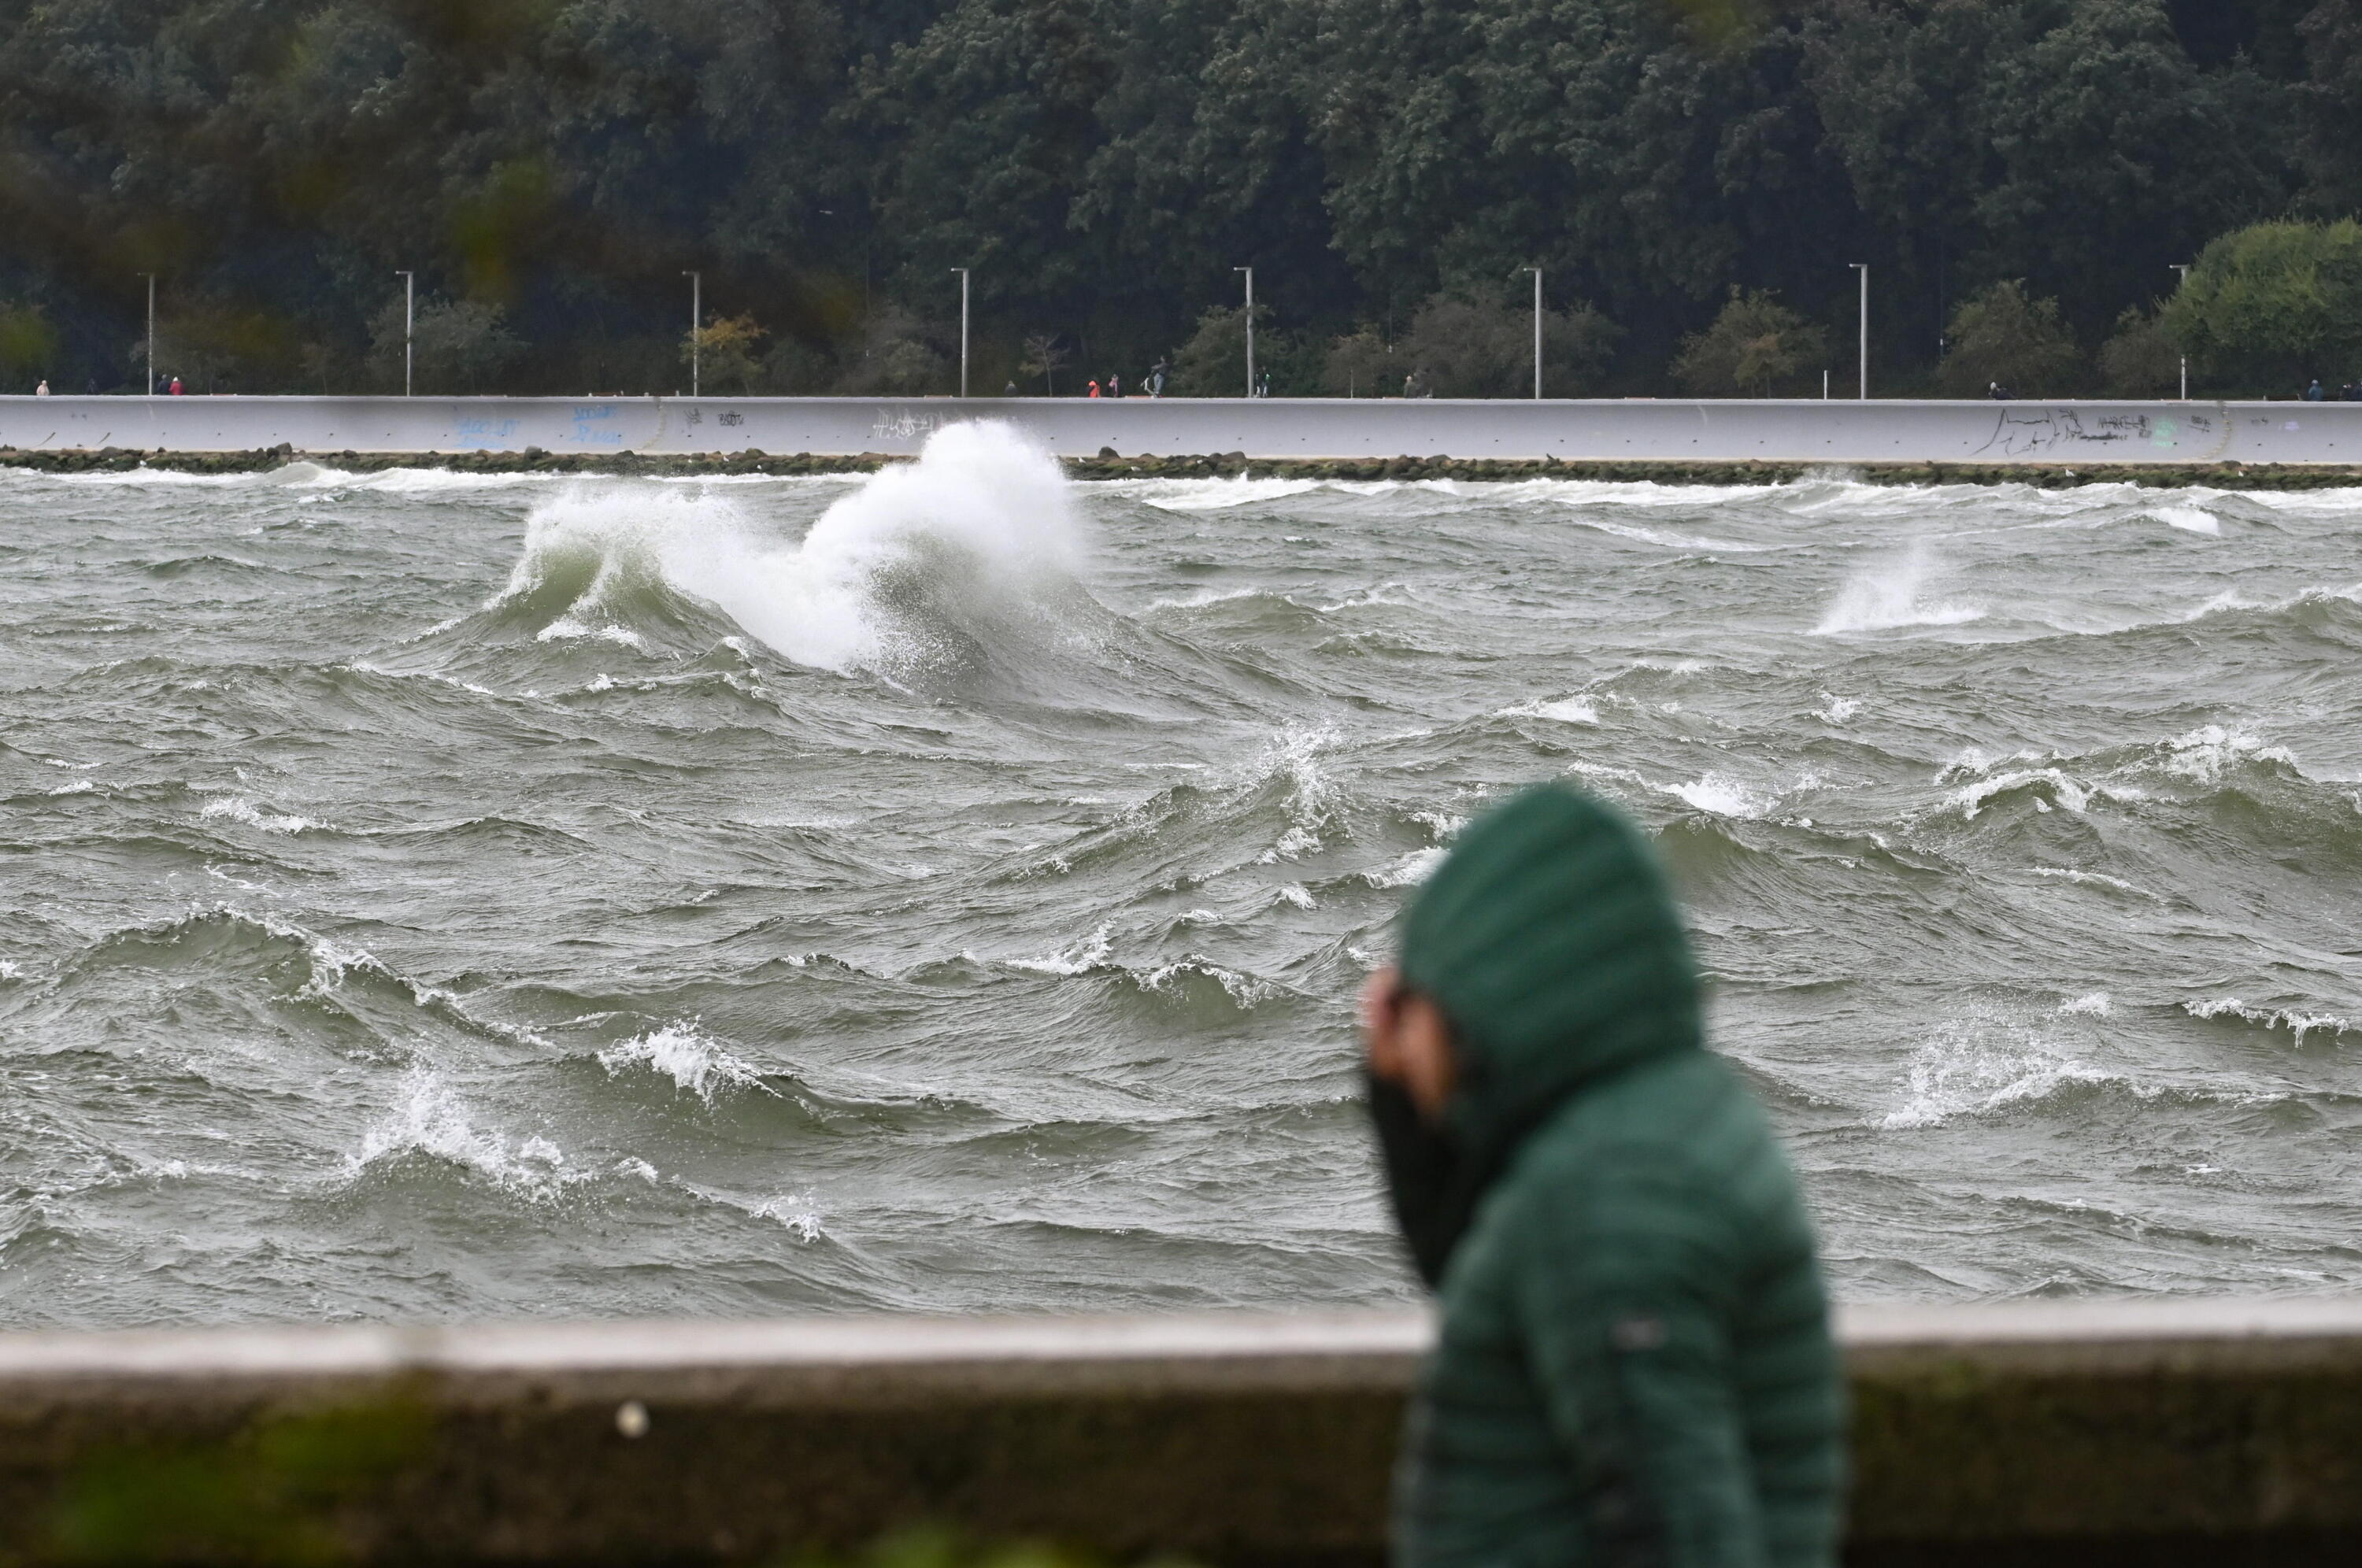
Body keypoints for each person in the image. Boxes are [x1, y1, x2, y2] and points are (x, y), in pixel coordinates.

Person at [1362, 783, 1845, 1568]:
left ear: (1483, 1002)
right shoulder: (1652, 1122)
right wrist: (1398, 1096)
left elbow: (1687, 1535)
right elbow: (1488, 1278)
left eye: (1413, 1002)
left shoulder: (1613, 1196)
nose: (1398, 1029)